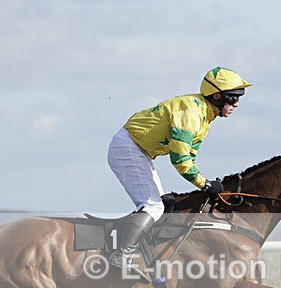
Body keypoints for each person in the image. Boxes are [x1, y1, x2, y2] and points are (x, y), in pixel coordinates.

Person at [107, 66, 251, 272]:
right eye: (233, 98)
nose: (236, 104)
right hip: (128, 148)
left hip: (138, 150)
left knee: (163, 205)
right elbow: (180, 159)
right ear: (217, 96)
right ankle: (121, 256)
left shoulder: (205, 117)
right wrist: (205, 184)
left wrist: (206, 183)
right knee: (153, 207)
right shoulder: (191, 113)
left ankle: (140, 254)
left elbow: (190, 156)